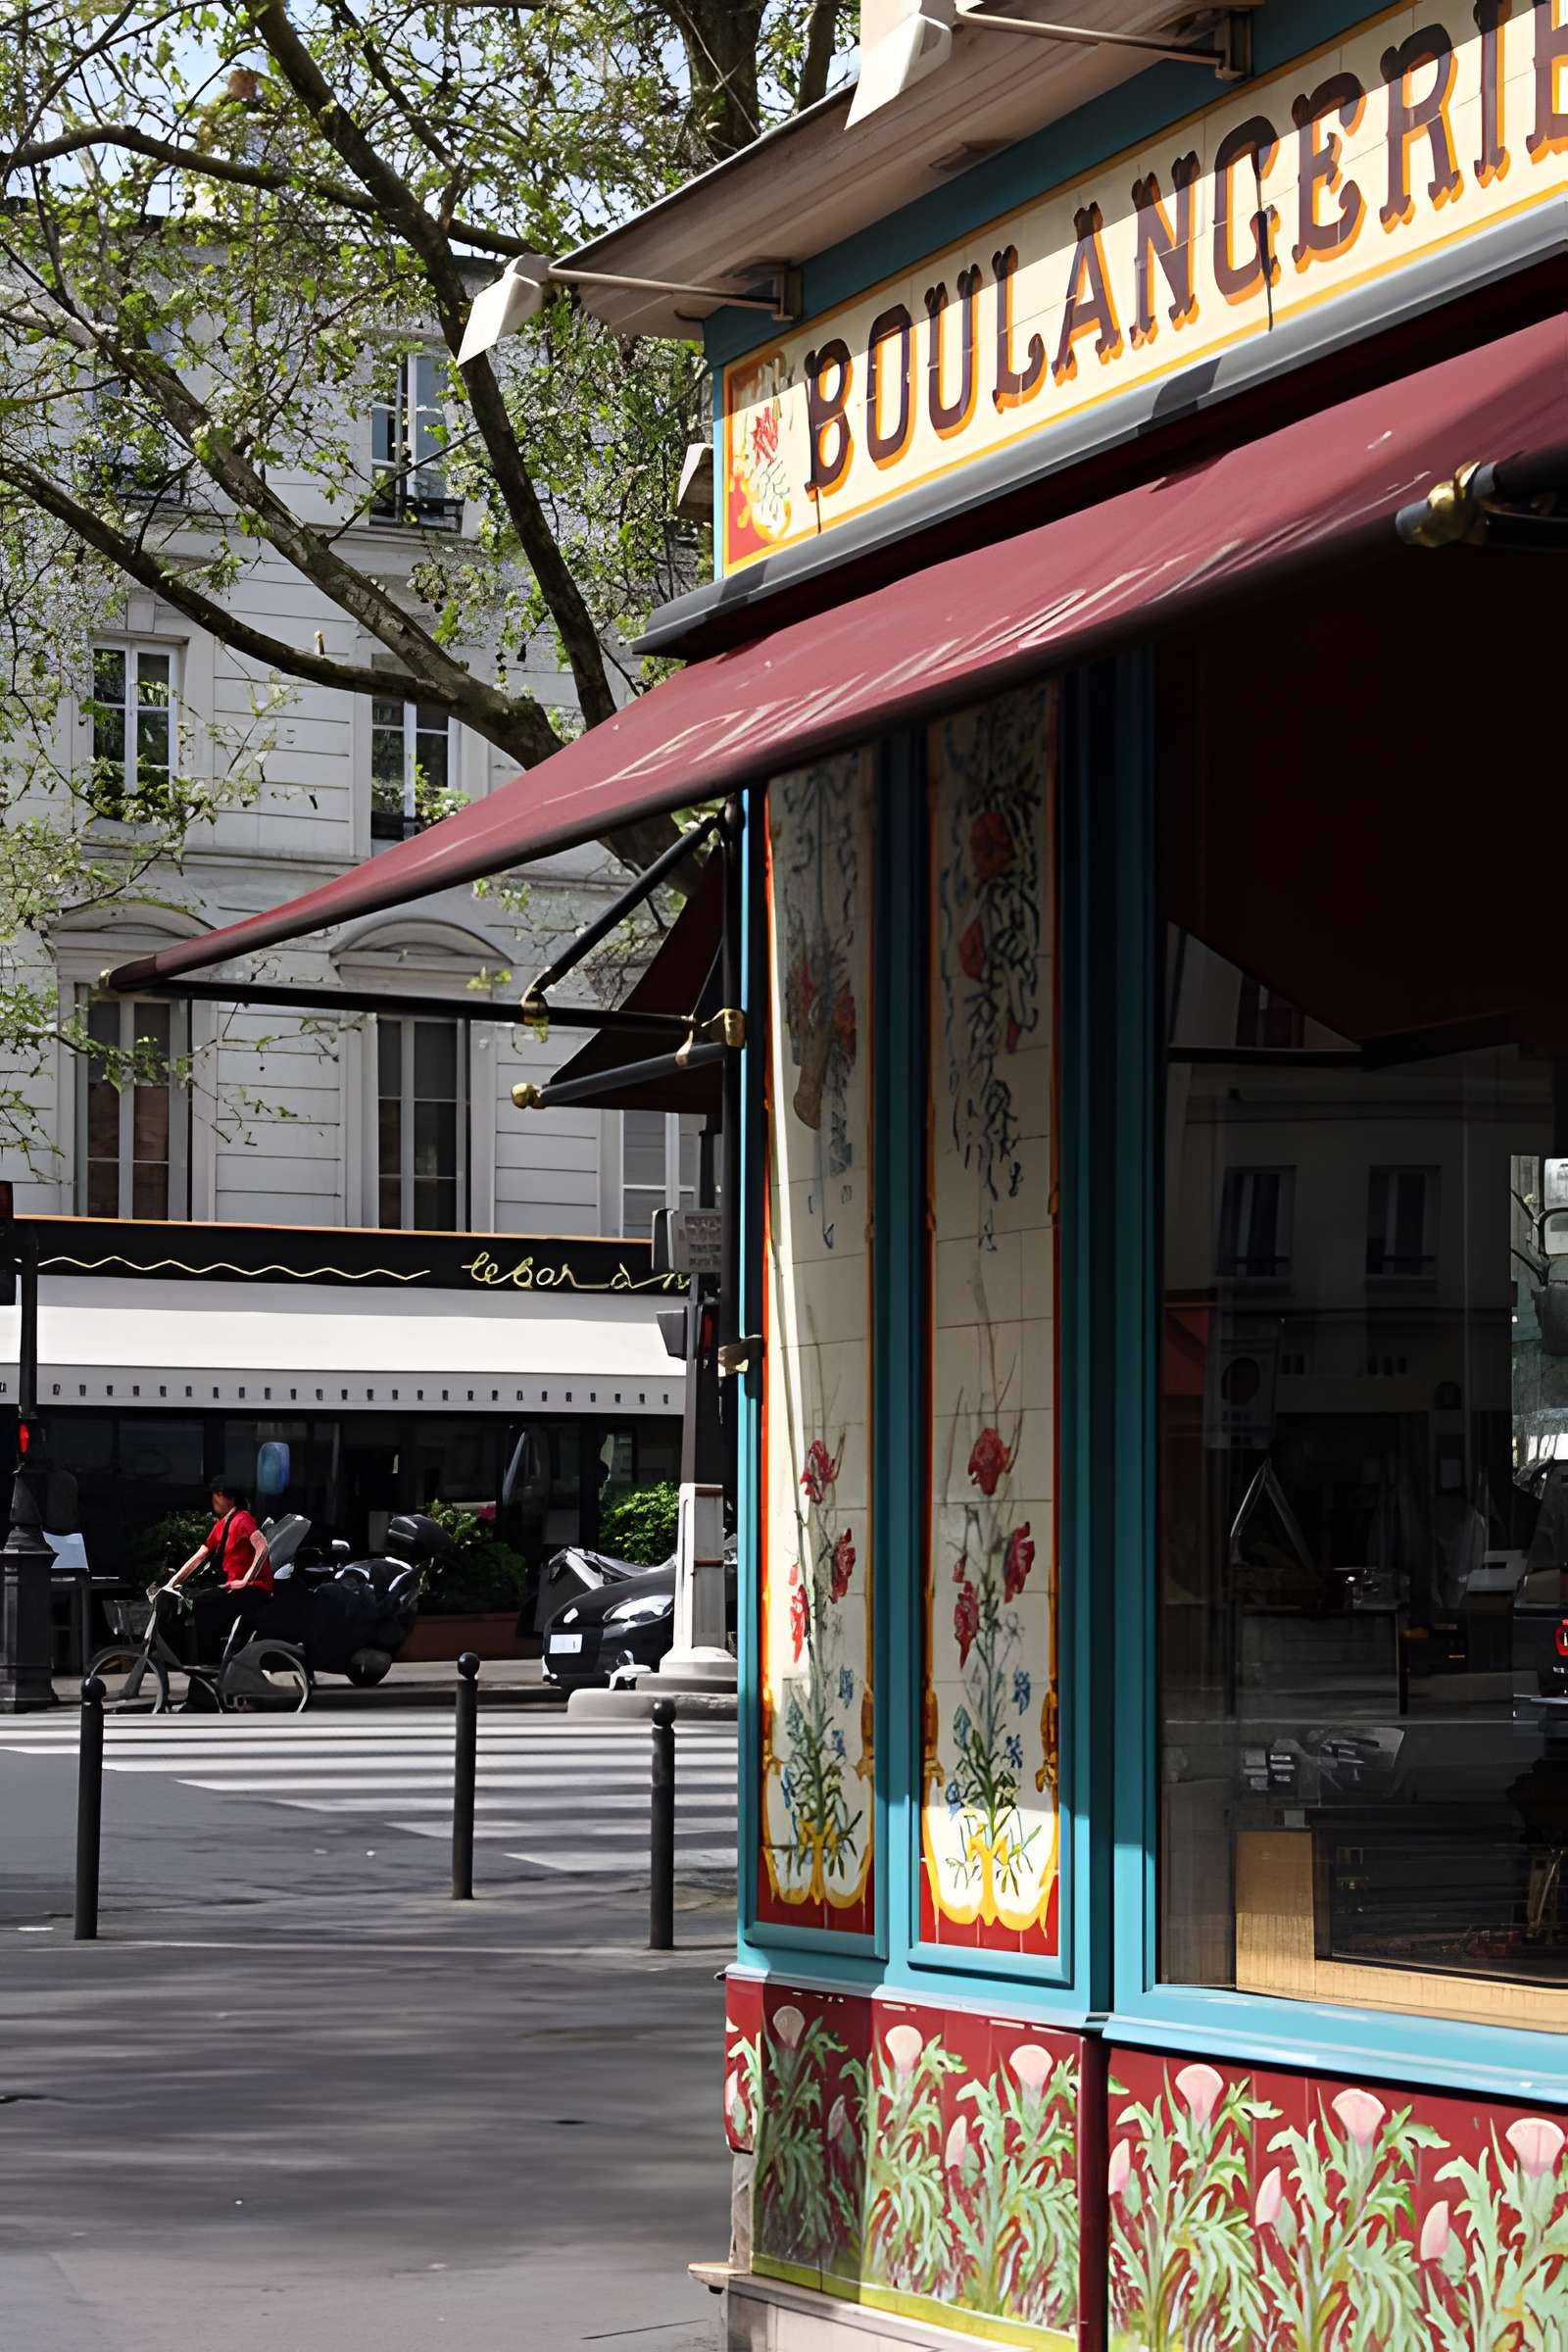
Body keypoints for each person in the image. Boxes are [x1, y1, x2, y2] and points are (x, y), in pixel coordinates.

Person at [168, 1478, 271, 1697]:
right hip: (235, 1589)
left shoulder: (242, 1519)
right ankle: (207, 1676)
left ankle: (209, 1675)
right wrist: (173, 1582)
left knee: (205, 1608)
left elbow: (262, 1548)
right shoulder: (222, 1525)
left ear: (229, 1498)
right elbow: (200, 1556)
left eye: (218, 1494)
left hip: (253, 1591)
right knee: (199, 1604)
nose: (214, 1499)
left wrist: (247, 1580)